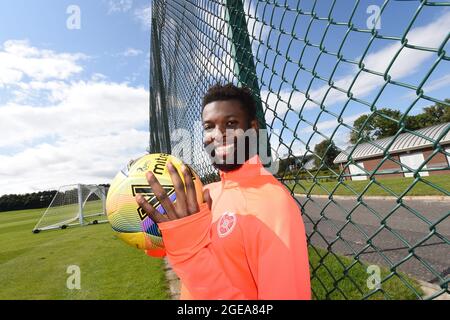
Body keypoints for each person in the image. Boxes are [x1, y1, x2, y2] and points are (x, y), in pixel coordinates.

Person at [136, 83, 311, 300]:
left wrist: (189, 255)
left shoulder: (274, 205)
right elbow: (161, 243)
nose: (217, 135)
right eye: (208, 126)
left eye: (231, 124)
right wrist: (140, 206)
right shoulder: (206, 192)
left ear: (253, 128)